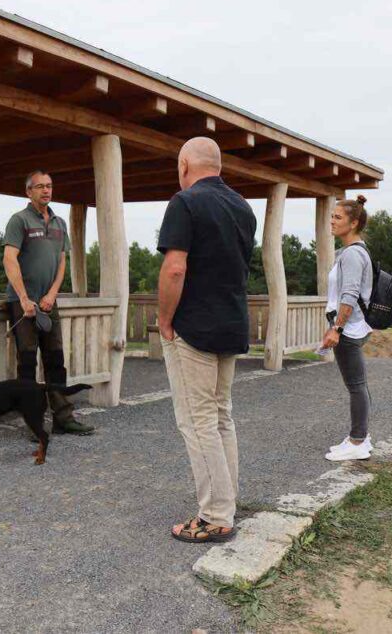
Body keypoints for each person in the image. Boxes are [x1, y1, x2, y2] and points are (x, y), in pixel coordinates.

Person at [157, 137, 256, 543]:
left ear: (184, 164)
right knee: (220, 416)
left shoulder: (185, 203)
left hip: (194, 326)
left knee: (197, 421)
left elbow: (175, 268)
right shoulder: (243, 207)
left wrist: (165, 319)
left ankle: (215, 513)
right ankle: (227, 499)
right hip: (231, 321)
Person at [2, 171, 94, 435]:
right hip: (23, 303)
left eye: (49, 186)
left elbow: (62, 260)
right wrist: (23, 297)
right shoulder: (18, 221)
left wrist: (53, 294)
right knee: (28, 363)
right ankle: (34, 423)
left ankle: (63, 419)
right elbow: (9, 259)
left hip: (48, 302)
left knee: (56, 360)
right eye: (40, 186)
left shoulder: (59, 223)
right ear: (28, 192)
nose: (46, 190)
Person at [321, 195, 375, 462]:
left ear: (353, 223)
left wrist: (337, 328)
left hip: (349, 329)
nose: (332, 221)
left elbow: (350, 295)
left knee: (355, 385)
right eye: (332, 216)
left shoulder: (353, 254)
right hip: (352, 327)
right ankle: (361, 437)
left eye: (338, 217)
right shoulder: (354, 251)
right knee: (358, 384)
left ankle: (358, 441)